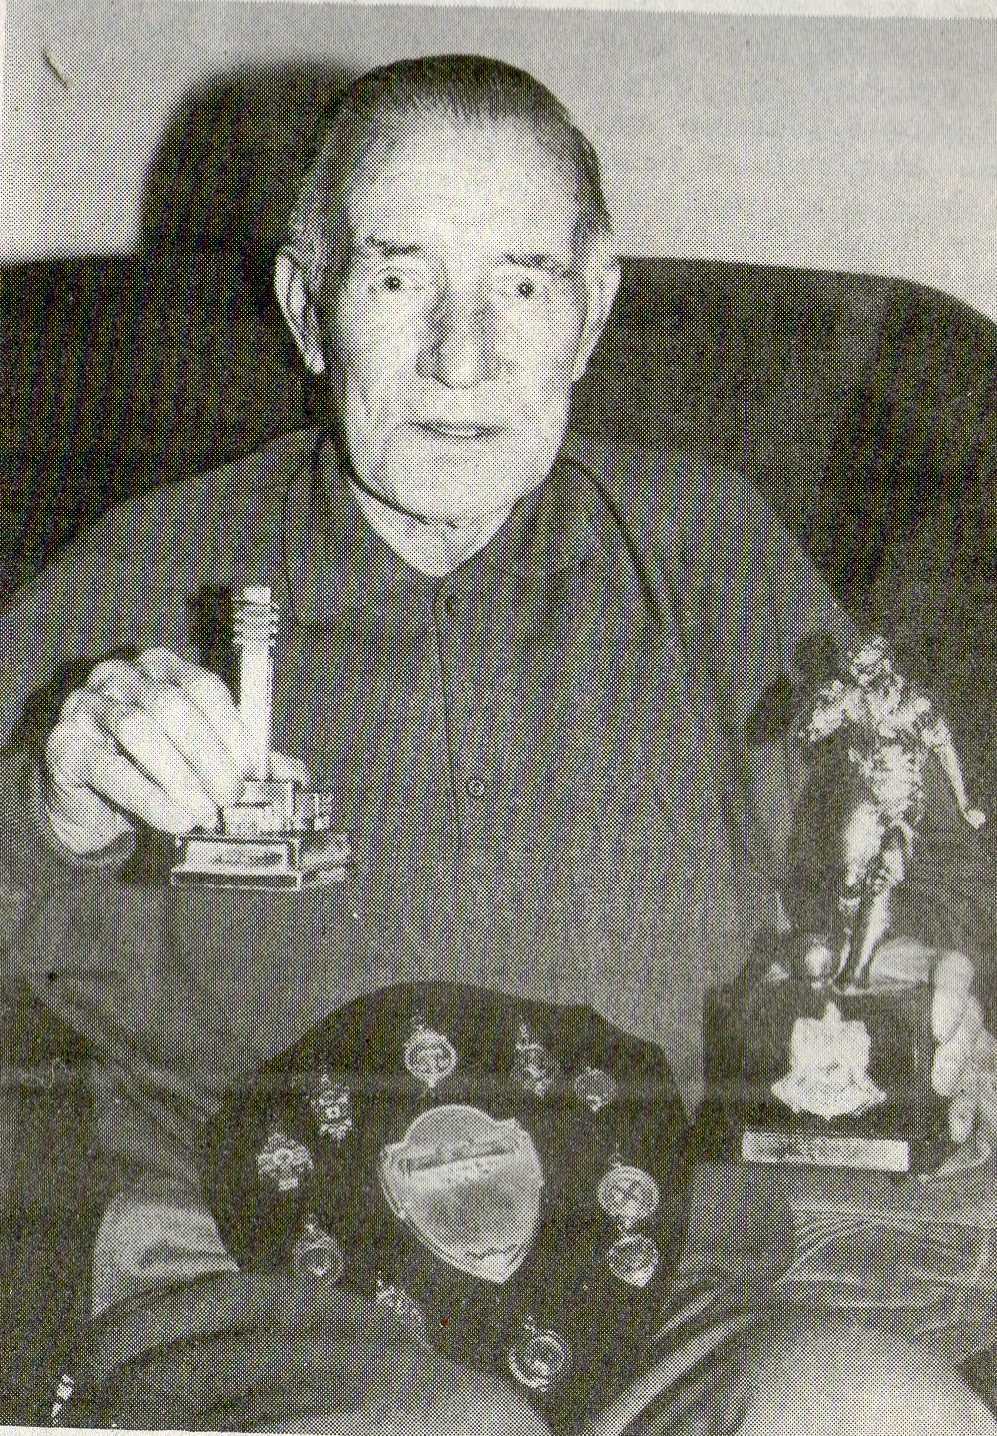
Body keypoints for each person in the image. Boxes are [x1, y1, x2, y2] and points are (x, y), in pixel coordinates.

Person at [1, 53, 995, 1433]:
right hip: (256, 1292)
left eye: (521, 284)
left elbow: (904, 836)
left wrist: (917, 961)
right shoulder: (147, 573)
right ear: (307, 307)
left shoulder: (707, 550)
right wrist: (57, 800)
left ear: (591, 315)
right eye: (399, 278)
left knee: (886, 1410)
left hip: (660, 1292)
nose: (460, 357)